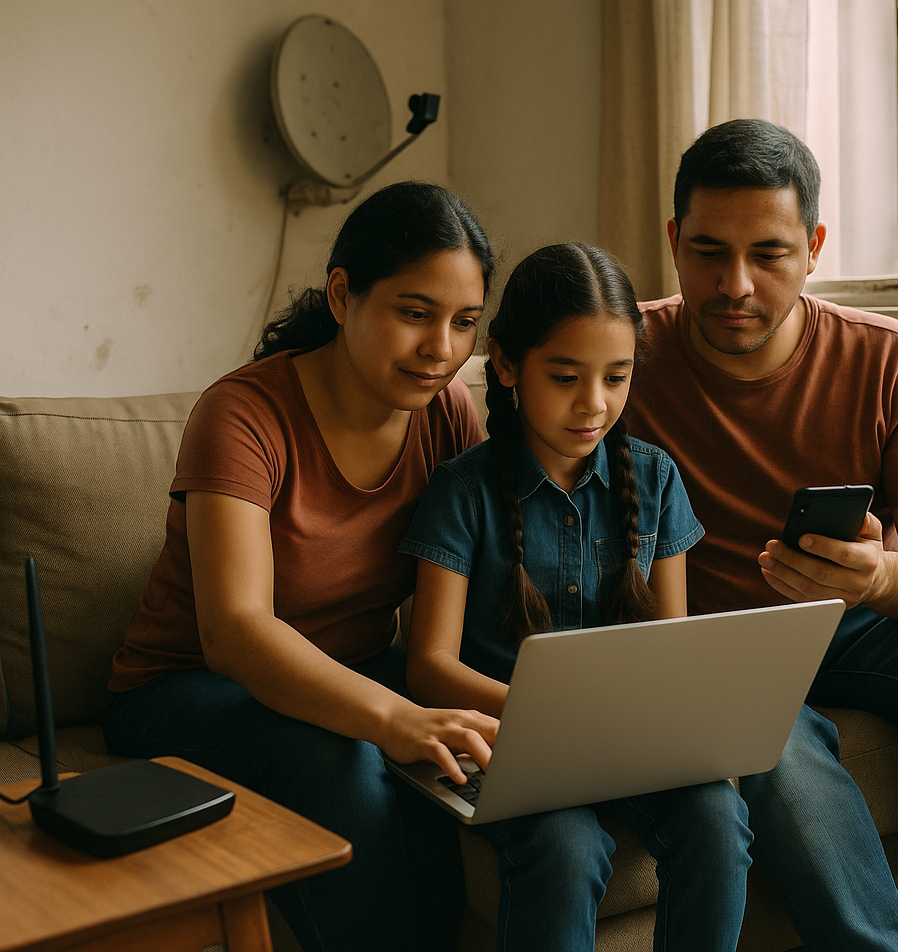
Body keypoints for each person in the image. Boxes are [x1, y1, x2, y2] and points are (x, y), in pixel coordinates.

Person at [627, 118, 898, 952]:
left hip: (849, 623)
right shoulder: (621, 356)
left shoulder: (884, 356)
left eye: (767, 254)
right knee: (780, 751)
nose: (733, 284)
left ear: (812, 247)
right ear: (672, 241)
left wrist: (876, 578)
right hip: (708, 650)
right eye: (707, 251)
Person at [103, 181, 501, 952]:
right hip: (182, 689)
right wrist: (392, 718)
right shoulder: (244, 414)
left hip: (352, 666)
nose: (442, 350)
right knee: (348, 762)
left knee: (461, 754)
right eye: (415, 313)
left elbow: (465, 598)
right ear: (344, 295)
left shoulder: (449, 413)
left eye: (464, 324)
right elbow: (236, 633)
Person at [400, 243, 753, 952]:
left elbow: (671, 649)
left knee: (717, 818)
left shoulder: (654, 481)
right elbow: (429, 667)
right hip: (513, 744)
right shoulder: (463, 492)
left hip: (629, 741)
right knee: (566, 849)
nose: (594, 404)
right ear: (506, 366)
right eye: (565, 377)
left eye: (616, 378)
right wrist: (549, 710)